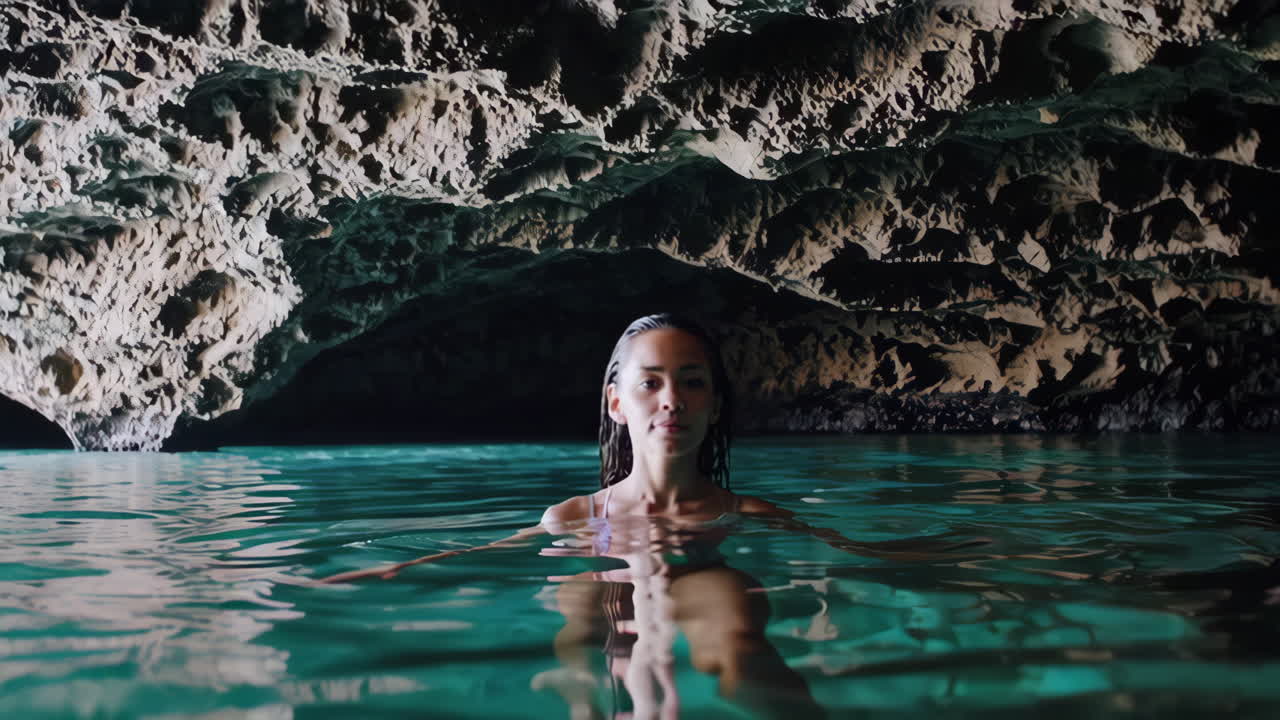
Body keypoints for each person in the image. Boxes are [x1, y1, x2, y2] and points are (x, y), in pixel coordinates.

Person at [319, 313, 989, 718]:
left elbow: (857, 553)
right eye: (652, 382)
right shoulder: (576, 515)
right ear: (618, 404)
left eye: (693, 381)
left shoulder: (746, 511)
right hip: (606, 601)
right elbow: (493, 549)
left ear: (715, 405)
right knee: (583, 602)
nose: (674, 399)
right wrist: (402, 566)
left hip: (707, 592)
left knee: (726, 612)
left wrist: (949, 558)